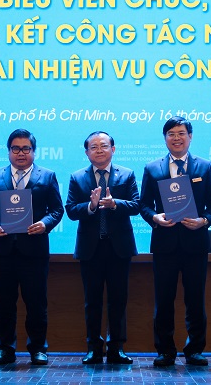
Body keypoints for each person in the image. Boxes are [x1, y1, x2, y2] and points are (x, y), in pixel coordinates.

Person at [139, 116, 211, 367]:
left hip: (195, 244)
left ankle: (194, 350)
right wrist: (155, 217)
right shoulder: (152, 168)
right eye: (171, 134)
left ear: (190, 137)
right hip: (164, 244)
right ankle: (165, 351)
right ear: (165, 138)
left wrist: (203, 221)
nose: (177, 138)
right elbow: (144, 205)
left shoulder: (205, 167)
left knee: (195, 299)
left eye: (181, 133)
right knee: (163, 300)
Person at [0, 129, 64, 366]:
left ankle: (38, 349)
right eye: (15, 148)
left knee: (36, 303)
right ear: (9, 151)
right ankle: (5, 349)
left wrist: (44, 224)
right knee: (3, 304)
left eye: (26, 148)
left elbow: (57, 210)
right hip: (2, 251)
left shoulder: (47, 176)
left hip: (34, 252)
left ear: (33, 151)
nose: (20, 153)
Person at [66, 131, 140, 365]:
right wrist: (91, 206)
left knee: (118, 299)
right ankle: (94, 348)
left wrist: (115, 204)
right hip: (91, 248)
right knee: (92, 301)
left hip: (119, 248)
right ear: (87, 152)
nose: (99, 150)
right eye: (94, 147)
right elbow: (70, 210)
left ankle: (117, 347)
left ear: (113, 149)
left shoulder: (127, 174)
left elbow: (136, 205)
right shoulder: (77, 177)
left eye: (104, 146)